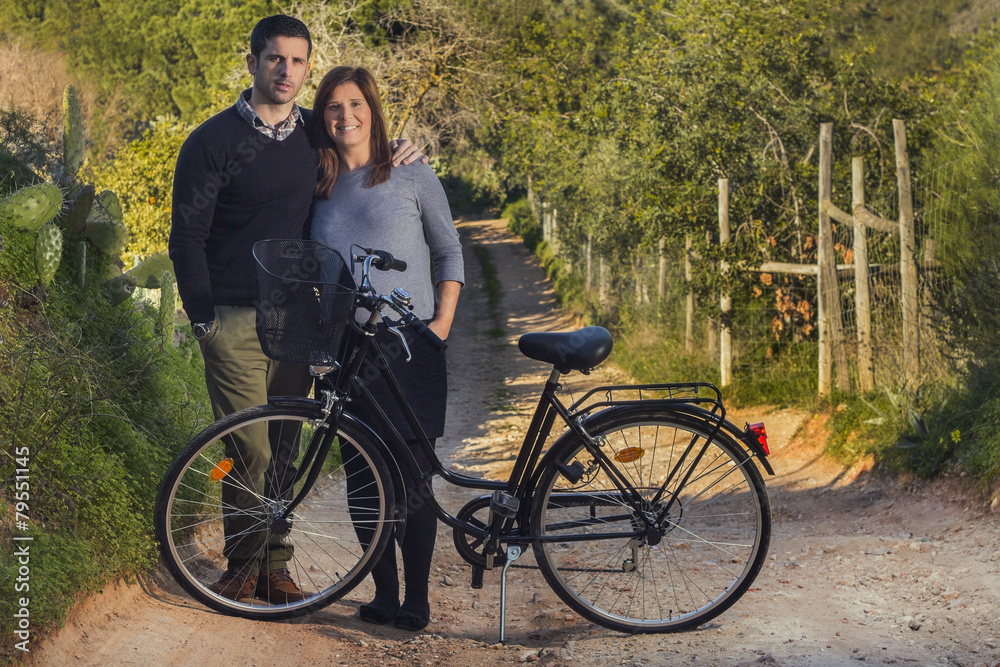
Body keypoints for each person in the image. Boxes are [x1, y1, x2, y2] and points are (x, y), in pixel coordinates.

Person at [168, 15, 424, 604]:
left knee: (285, 446)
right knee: (248, 448)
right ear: (253, 62)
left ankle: (272, 569)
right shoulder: (211, 142)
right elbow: (187, 237)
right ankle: (244, 562)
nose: (287, 71)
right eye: (276, 59)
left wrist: (403, 147)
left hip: (297, 317)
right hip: (230, 317)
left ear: (309, 67)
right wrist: (202, 318)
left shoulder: (316, 135)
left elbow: (365, 151)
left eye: (299, 61)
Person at [308, 66, 464, 631]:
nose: (345, 115)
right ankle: (383, 593)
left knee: (412, 478)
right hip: (349, 351)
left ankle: (417, 598)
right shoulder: (318, 185)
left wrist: (441, 324)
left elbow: (449, 251)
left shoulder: (410, 173)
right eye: (332, 106)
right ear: (321, 116)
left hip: (410, 343)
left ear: (372, 110)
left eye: (355, 104)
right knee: (361, 475)